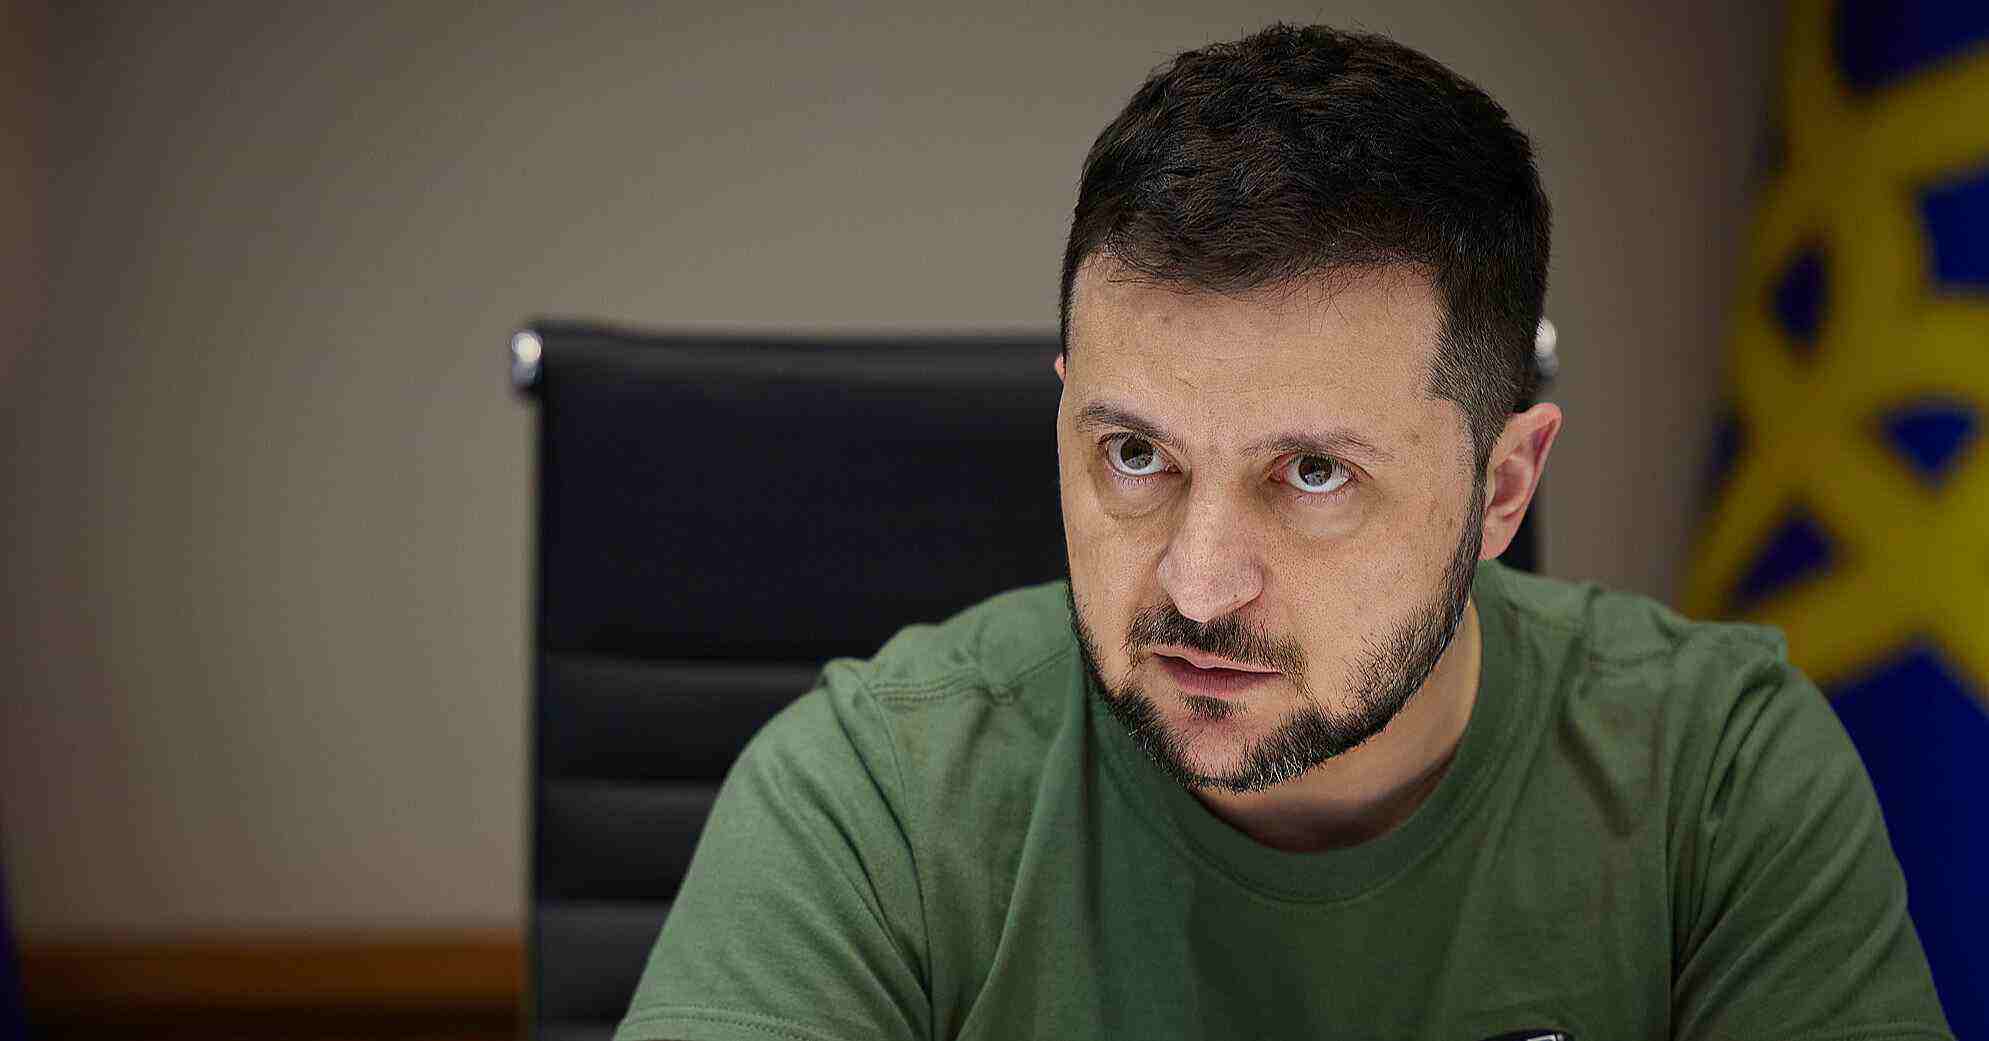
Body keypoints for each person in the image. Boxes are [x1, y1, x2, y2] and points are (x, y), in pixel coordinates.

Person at [614, 23, 1954, 1041]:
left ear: (1502, 489)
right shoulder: (872, 798)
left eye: (1313, 473)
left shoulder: (1717, 779)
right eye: (1134, 454)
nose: (1197, 587)